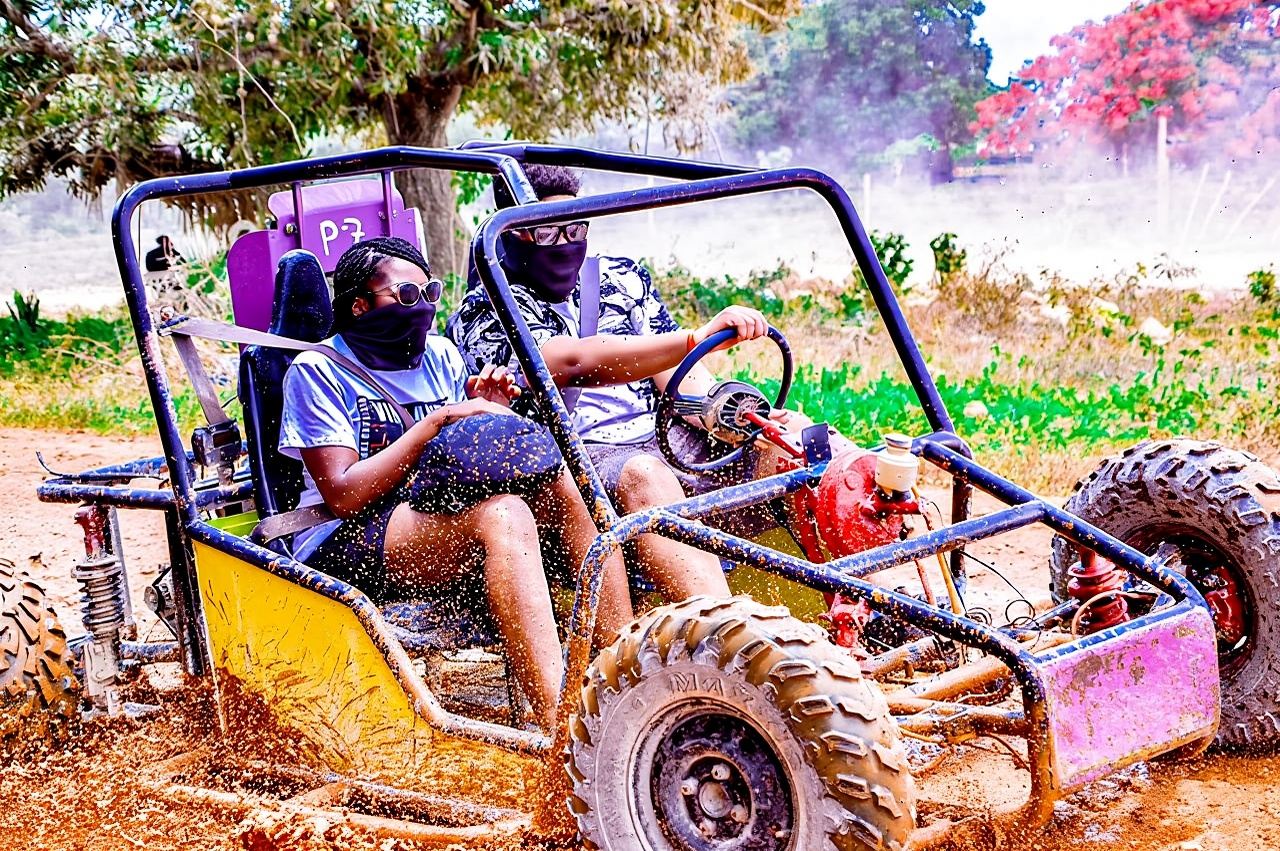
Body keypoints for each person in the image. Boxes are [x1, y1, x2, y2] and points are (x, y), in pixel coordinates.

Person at [279, 236, 633, 730]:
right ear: (359, 306)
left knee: (561, 485)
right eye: (405, 297)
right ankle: (562, 726)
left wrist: (488, 420)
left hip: (425, 508)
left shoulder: (441, 355)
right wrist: (439, 423)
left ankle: (629, 668)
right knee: (504, 515)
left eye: (430, 294)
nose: (421, 308)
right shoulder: (317, 370)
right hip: (342, 535)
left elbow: (454, 464)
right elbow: (342, 493)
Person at [448, 165, 803, 602]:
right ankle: (729, 633)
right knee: (643, 474)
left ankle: (890, 603)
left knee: (794, 441)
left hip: (664, 435)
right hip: (576, 461)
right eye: (546, 234)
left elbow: (677, 370)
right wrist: (696, 338)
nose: (565, 244)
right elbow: (570, 362)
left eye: (576, 229)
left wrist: (726, 412)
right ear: (511, 233)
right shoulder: (484, 310)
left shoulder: (621, 278)